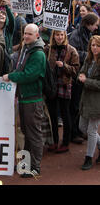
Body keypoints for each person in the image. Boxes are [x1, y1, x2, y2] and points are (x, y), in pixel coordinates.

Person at [3, 24, 46, 178]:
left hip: (32, 99)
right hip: (24, 97)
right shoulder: (26, 48)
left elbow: (29, 75)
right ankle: (25, 164)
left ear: (37, 35)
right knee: (26, 133)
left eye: (29, 34)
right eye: (25, 33)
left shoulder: (38, 54)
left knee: (33, 134)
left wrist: (11, 76)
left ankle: (35, 167)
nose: (26, 36)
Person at [44, 30, 80, 154]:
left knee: (65, 114)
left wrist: (64, 65)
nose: (59, 37)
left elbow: (75, 69)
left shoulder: (71, 50)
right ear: (53, 36)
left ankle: (65, 143)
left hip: (64, 85)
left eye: (61, 35)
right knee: (52, 115)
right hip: (52, 85)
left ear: (65, 36)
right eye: (57, 35)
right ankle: (54, 141)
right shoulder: (48, 49)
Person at [69, 13, 99, 144]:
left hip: (84, 74)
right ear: (89, 24)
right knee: (75, 105)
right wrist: (90, 54)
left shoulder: (87, 34)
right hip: (77, 74)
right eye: (96, 24)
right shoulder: (76, 35)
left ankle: (80, 131)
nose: (97, 26)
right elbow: (73, 52)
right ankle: (74, 132)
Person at [77, 35, 100, 170]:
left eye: (97, 45)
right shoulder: (88, 59)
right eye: (93, 45)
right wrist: (81, 76)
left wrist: (87, 81)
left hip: (97, 100)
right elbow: (82, 72)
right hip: (86, 99)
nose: (95, 48)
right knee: (82, 127)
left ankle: (88, 157)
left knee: (91, 130)